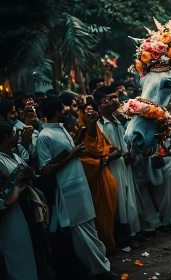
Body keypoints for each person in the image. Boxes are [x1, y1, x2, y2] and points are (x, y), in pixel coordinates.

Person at [36, 97, 117, 279]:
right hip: (67, 190)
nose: (66, 110)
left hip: (79, 185)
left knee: (89, 228)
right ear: (57, 111)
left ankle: (99, 266)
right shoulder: (44, 136)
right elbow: (45, 169)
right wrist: (72, 154)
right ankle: (100, 270)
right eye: (63, 107)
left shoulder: (61, 128)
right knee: (81, 233)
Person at [94, 87, 142, 247]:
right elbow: (105, 151)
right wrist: (117, 155)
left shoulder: (116, 122)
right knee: (119, 201)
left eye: (114, 97)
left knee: (129, 200)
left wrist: (129, 154)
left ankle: (132, 233)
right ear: (100, 105)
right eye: (107, 99)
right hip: (112, 168)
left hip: (123, 165)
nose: (113, 101)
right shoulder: (101, 125)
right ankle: (122, 238)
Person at [77, 101, 119, 251]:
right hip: (93, 180)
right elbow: (81, 158)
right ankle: (102, 247)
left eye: (91, 110)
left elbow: (107, 148)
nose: (90, 113)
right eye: (85, 111)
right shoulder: (78, 132)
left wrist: (108, 156)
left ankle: (109, 243)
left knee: (107, 214)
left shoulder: (96, 129)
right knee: (98, 216)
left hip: (105, 176)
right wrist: (98, 162)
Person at [0, 121, 39, 280]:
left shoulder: (15, 155)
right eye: (15, 133)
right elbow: (7, 195)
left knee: (31, 248)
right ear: (8, 137)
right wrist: (17, 179)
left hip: (26, 204)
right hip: (12, 210)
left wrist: (28, 174)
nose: (18, 135)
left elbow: (30, 178)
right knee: (17, 253)